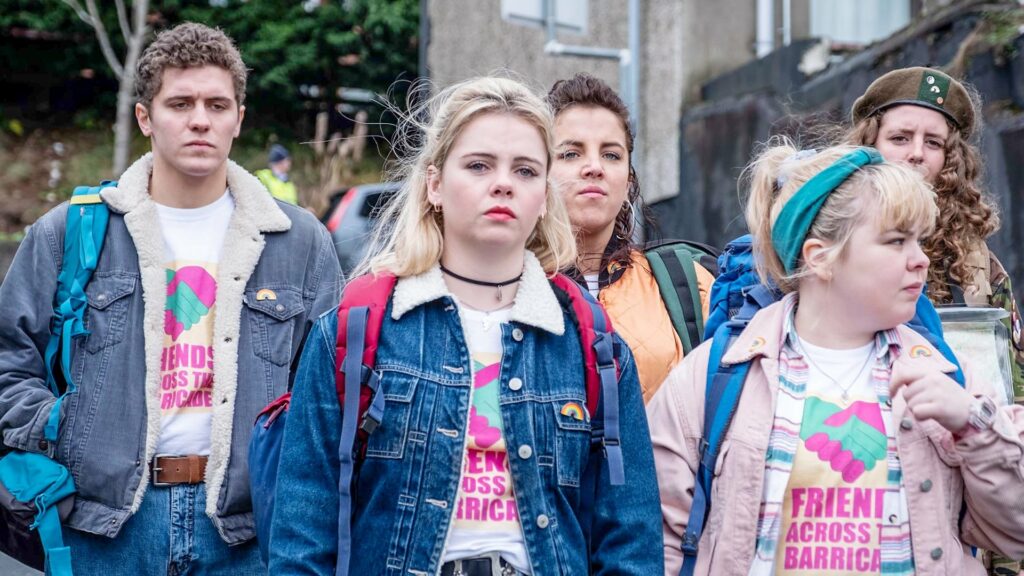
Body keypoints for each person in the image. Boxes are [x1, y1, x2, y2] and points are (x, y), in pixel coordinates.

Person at [268, 76, 662, 575]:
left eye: (525, 170)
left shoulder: (593, 345)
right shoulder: (354, 333)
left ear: (543, 196)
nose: (502, 183)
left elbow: (630, 541)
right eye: (478, 165)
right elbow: (302, 539)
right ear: (434, 184)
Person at [0, 23, 341, 574]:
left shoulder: (299, 242)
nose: (200, 119)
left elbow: (329, 389)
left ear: (239, 118)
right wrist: (63, 428)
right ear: (145, 118)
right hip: (105, 527)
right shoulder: (71, 231)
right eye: (180, 103)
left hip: (249, 532)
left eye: (217, 104)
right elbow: (7, 356)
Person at [647, 141, 1024, 575]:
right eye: (896, 240)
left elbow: (1013, 530)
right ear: (820, 257)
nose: (920, 260)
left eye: (919, 240)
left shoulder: (944, 373)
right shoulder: (717, 374)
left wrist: (974, 424)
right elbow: (660, 540)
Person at [844, 67, 1024, 404]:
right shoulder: (830, 243)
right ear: (869, 144)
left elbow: (1015, 384)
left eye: (933, 143)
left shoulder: (977, 264)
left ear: (950, 159)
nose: (916, 153)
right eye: (900, 138)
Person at [547, 73, 715, 403]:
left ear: (628, 180)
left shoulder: (689, 281)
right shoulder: (505, 286)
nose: (594, 167)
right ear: (537, 170)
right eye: (571, 153)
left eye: (611, 155)